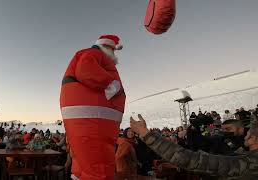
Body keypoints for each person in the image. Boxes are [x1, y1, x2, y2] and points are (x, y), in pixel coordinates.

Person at [60, 34, 126, 180]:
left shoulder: (93, 55)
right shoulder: (94, 53)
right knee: (99, 167)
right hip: (93, 123)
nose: (114, 54)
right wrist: (112, 84)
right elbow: (86, 70)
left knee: (84, 164)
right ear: (106, 47)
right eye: (113, 50)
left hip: (91, 124)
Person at [130, 114, 258, 179]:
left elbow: (189, 159)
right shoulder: (243, 153)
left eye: (248, 135)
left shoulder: (248, 163)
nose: (224, 132)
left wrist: (145, 133)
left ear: (253, 138)